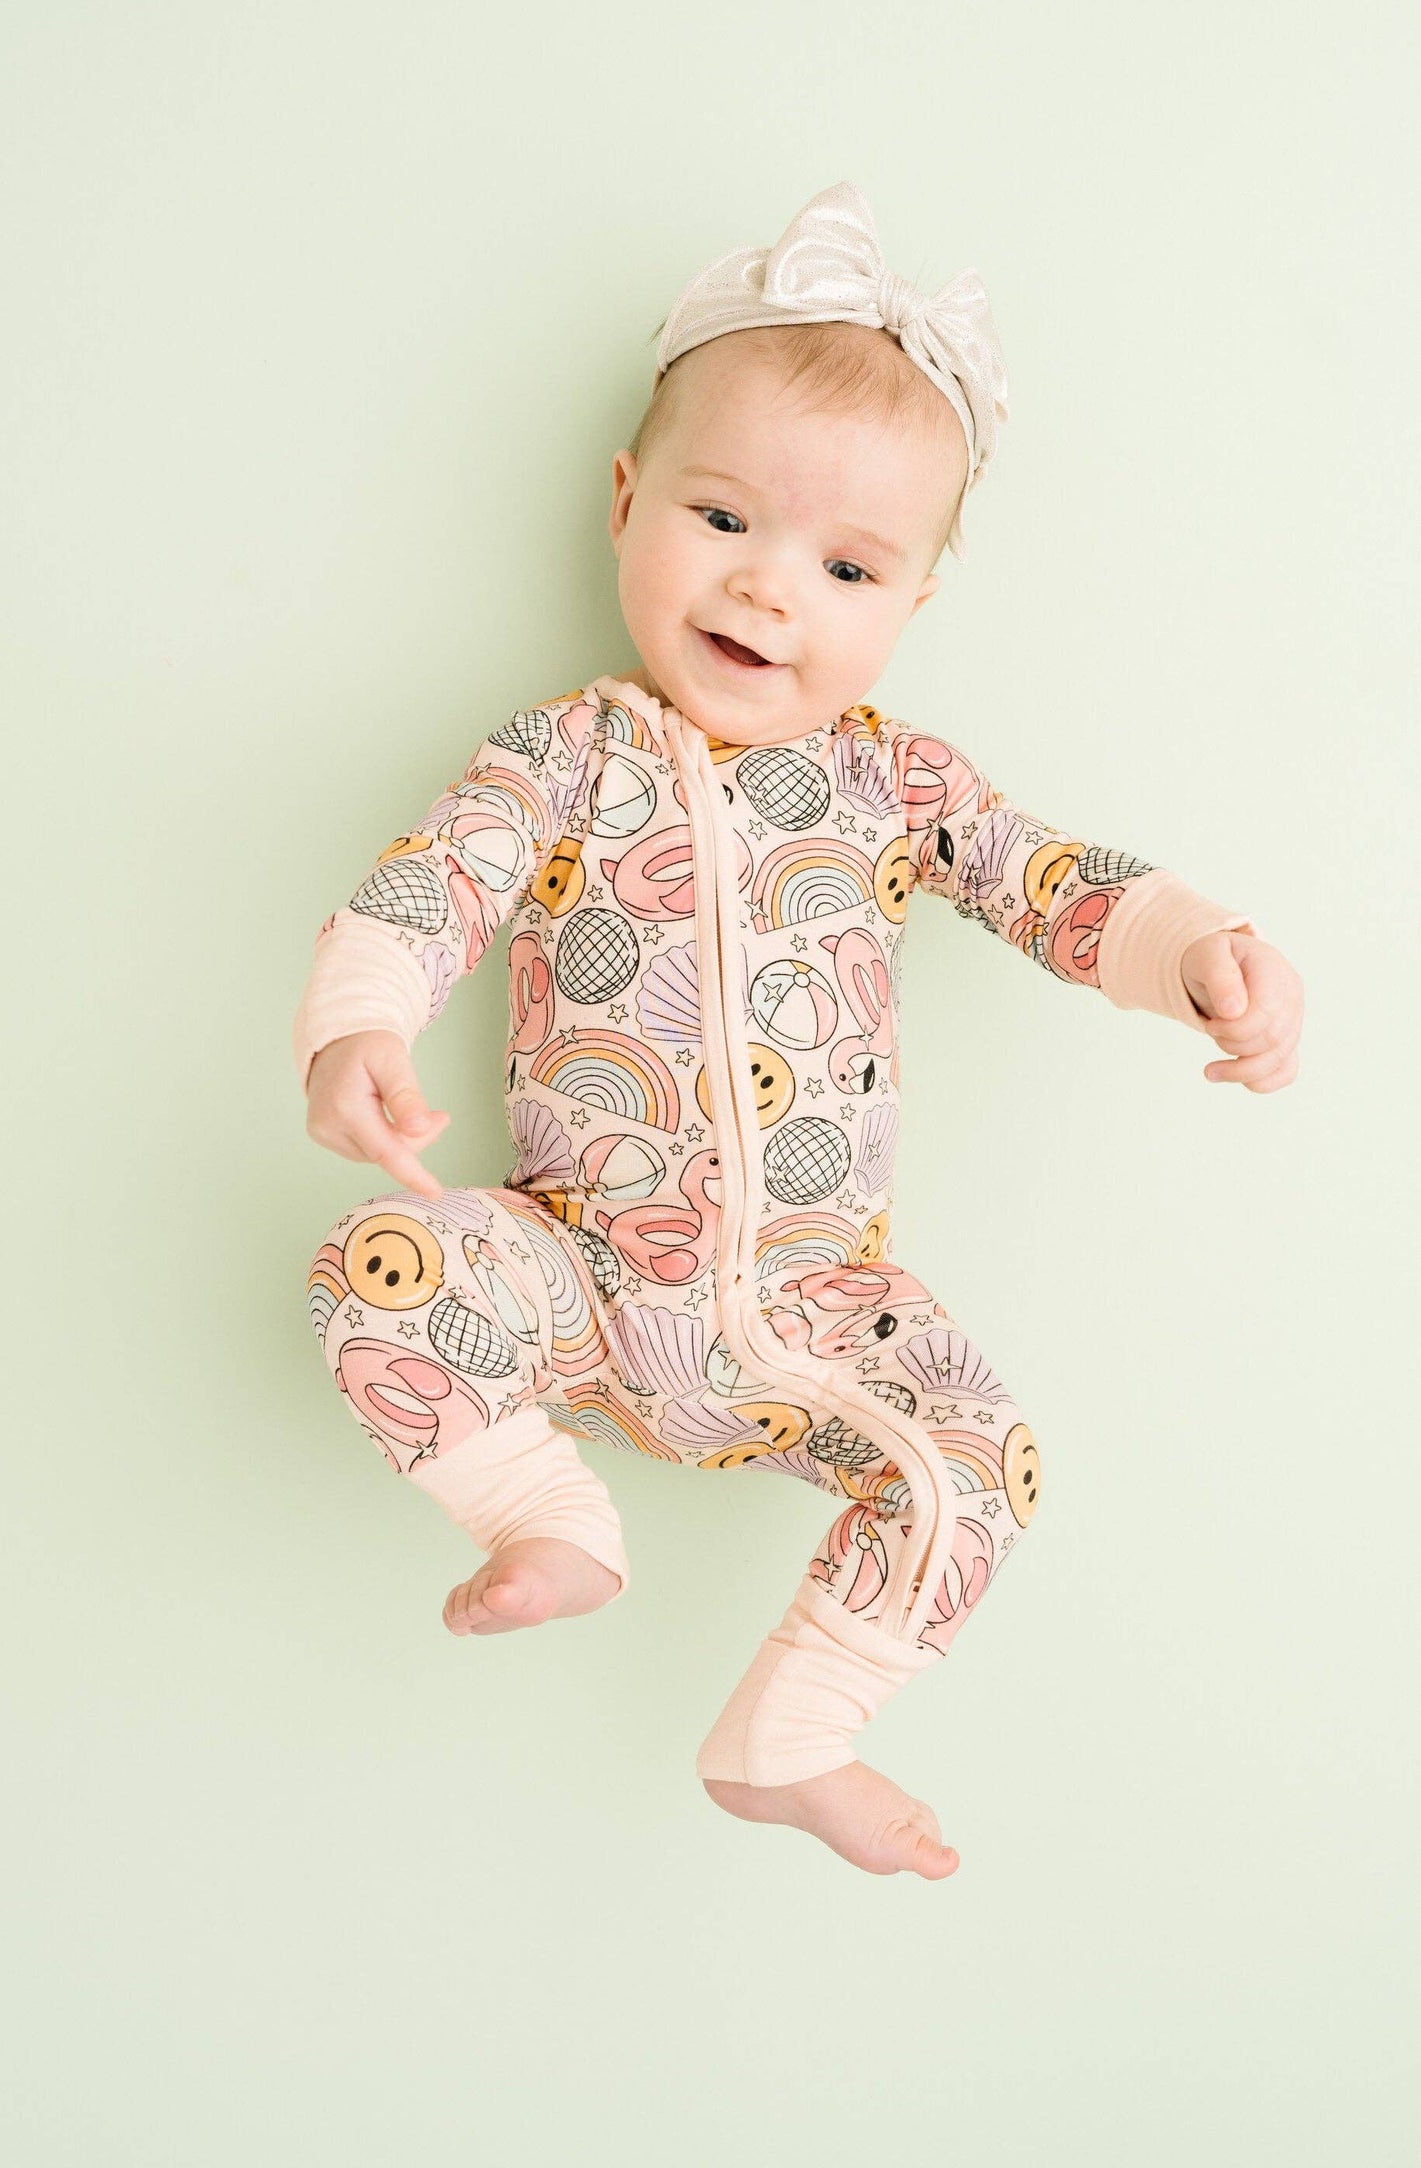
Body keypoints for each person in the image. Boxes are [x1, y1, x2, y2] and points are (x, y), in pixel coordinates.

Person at [294, 182, 1304, 1882]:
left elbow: (1042, 877)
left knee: (983, 1462)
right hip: (582, 1274)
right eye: (721, 518)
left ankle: (792, 1733)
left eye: (845, 567)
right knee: (376, 1269)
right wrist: (358, 1029)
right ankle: (544, 1516)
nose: (769, 589)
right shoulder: (569, 755)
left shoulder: (892, 782)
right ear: (627, 501)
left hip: (822, 1318)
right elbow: (434, 881)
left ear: (913, 601)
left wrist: (1198, 949)